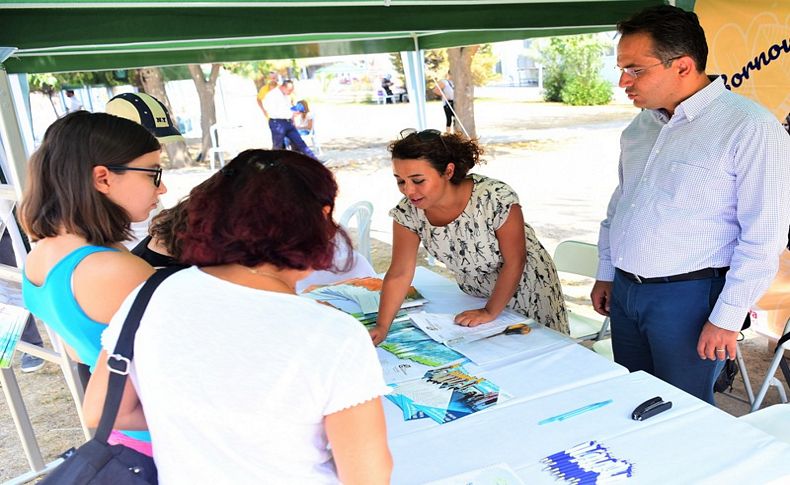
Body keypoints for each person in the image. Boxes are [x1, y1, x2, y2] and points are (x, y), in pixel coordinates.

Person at [84, 149, 392, 484]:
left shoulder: (148, 295)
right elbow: (367, 476)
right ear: (321, 216)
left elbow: (101, 409)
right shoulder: (333, 334)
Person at [589, 5, 790, 405]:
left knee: (683, 409)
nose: (622, 81)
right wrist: (607, 271)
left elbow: (763, 238)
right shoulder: (640, 126)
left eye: (635, 69)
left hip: (690, 299)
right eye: (621, 67)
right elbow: (621, 206)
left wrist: (726, 318)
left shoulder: (749, 128)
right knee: (632, 399)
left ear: (682, 66)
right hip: (628, 293)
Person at [20, 111, 166, 454]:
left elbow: (78, 349)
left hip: (123, 439)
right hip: (160, 438)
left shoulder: (41, 255)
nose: (162, 187)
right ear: (103, 178)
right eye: (153, 172)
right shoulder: (112, 269)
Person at [370, 129, 568, 345]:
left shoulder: (494, 198)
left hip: (528, 290)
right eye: (400, 181)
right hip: (476, 296)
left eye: (418, 180)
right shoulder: (408, 213)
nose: (408, 191)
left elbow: (515, 261)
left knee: (542, 353)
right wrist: (382, 326)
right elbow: (399, 273)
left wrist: (490, 312)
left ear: (448, 171)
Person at [262, 79, 316, 159]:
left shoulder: (287, 96)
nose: (290, 92)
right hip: (277, 123)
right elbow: (272, 111)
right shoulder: (272, 96)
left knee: (300, 143)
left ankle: (315, 161)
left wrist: (294, 112)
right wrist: (290, 113)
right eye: (289, 90)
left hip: (288, 122)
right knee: (278, 146)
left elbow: (288, 108)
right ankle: (273, 165)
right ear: (283, 87)